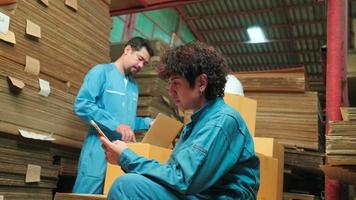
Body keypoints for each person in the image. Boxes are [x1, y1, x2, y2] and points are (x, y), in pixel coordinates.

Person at [100, 42, 260, 199]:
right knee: (135, 183)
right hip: (200, 194)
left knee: (127, 186)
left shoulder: (221, 121)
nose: (170, 90)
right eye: (169, 84)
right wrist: (124, 159)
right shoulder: (196, 123)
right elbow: (173, 173)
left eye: (176, 82)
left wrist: (127, 157)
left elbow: (183, 179)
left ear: (201, 83)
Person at [72, 37, 154, 194]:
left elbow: (126, 123)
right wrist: (115, 124)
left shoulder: (133, 86)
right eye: (140, 59)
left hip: (120, 153)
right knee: (85, 195)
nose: (141, 65)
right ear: (128, 50)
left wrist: (148, 123)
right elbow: (82, 105)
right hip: (98, 149)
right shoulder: (101, 72)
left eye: (145, 63)